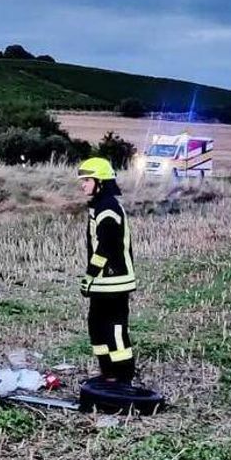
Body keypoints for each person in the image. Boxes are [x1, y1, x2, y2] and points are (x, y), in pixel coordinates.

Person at [77, 157, 136, 383]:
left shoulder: (108, 208)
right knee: (97, 326)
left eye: (87, 180)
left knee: (114, 330)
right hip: (104, 282)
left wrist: (90, 274)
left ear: (100, 181)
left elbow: (106, 246)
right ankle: (107, 373)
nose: (83, 184)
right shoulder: (101, 205)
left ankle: (123, 377)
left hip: (114, 281)